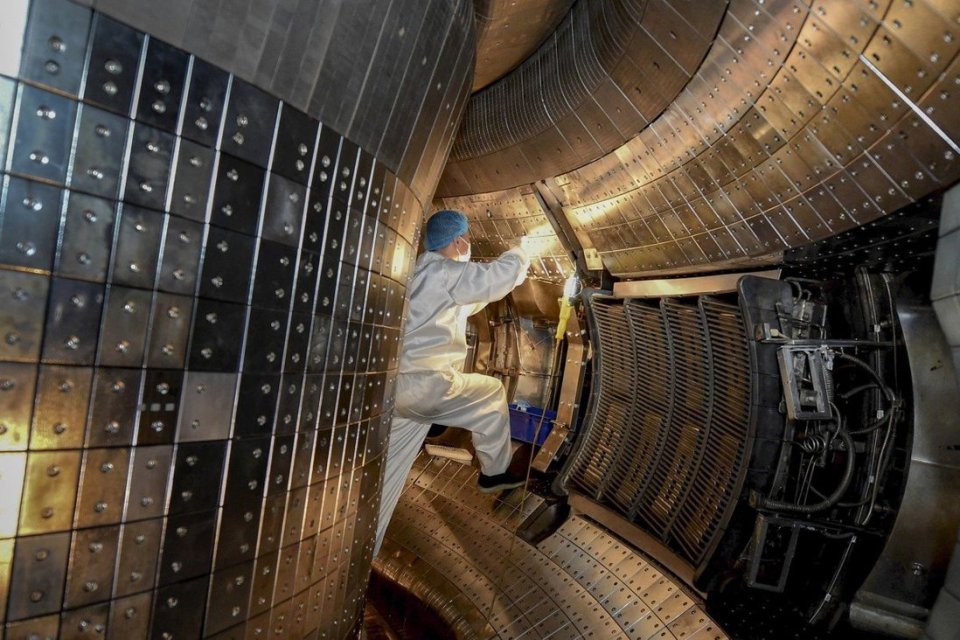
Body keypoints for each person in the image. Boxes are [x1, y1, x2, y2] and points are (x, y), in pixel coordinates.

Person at [374, 209, 531, 555]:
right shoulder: (445, 271)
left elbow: (469, 300)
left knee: (388, 479)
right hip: (427, 385)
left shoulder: (416, 272)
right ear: (458, 240)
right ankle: (495, 472)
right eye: (467, 239)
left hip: (396, 392)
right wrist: (522, 250)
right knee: (490, 393)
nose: (469, 245)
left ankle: (362, 549)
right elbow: (495, 278)